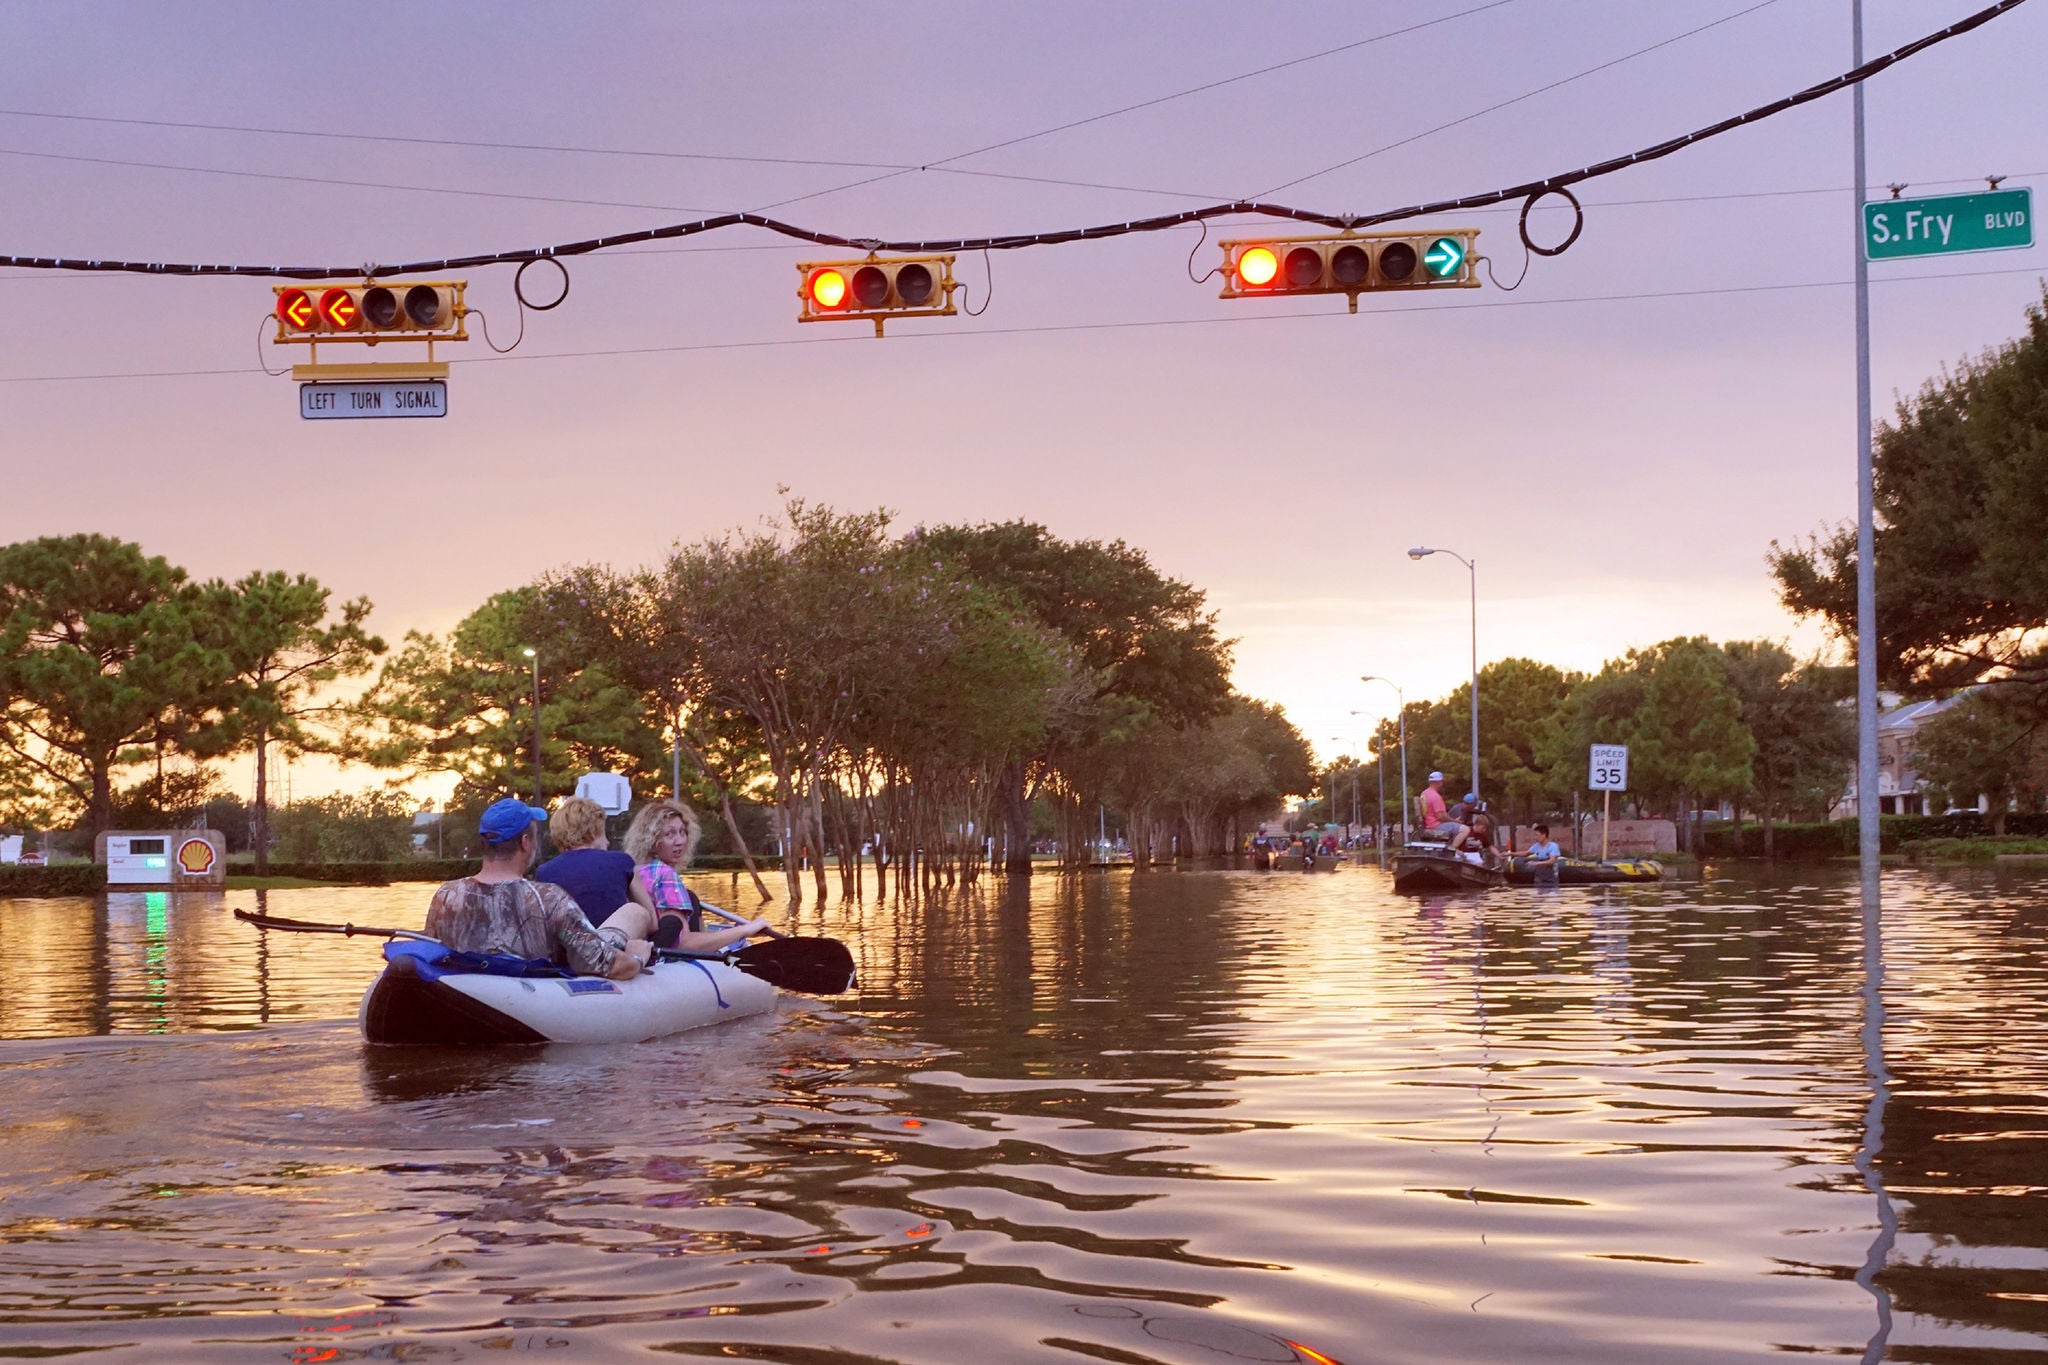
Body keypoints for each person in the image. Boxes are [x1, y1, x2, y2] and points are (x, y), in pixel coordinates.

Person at [423, 798, 652, 980]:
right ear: (525, 842)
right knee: (635, 912)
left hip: (473, 990)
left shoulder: (446, 896)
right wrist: (636, 957)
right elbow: (608, 965)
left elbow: (430, 953)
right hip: (531, 999)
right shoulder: (548, 898)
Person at [621, 797, 770, 953]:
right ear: (651, 841)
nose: (679, 841)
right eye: (669, 834)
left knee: (691, 897)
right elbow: (684, 943)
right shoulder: (664, 874)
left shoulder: (636, 870)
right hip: (664, 960)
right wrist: (746, 930)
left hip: (641, 952)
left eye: (682, 832)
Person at [534, 796, 657, 924]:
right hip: (613, 940)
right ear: (593, 831)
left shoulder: (544, 872)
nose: (608, 842)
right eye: (603, 833)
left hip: (567, 942)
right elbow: (652, 921)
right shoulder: (622, 862)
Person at [1418, 772, 1469, 851]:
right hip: (1436, 825)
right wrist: (1455, 821)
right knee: (1465, 829)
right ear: (1439, 782)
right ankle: (1452, 849)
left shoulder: (1424, 794)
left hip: (1428, 823)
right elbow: (1441, 816)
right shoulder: (1435, 797)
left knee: (1455, 827)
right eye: (1442, 782)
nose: (1442, 784)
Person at [1523, 822, 1563, 887]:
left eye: (1536, 835)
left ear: (1544, 835)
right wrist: (1509, 853)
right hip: (1539, 879)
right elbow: (1525, 853)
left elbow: (1551, 861)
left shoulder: (1553, 846)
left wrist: (1535, 863)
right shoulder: (1536, 846)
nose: (1535, 837)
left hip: (1551, 879)